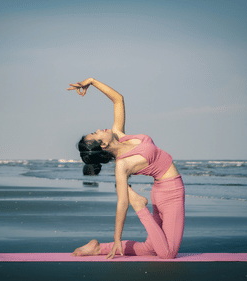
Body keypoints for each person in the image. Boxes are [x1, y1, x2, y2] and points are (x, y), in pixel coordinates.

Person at [67, 78, 185, 259]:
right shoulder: (121, 165)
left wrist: (91, 81)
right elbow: (122, 203)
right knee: (168, 254)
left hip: (161, 191)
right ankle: (139, 205)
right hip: (172, 193)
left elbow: (118, 99)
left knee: (151, 248)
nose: (99, 129)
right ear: (103, 144)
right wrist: (117, 237)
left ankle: (98, 248)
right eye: (95, 133)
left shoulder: (119, 135)